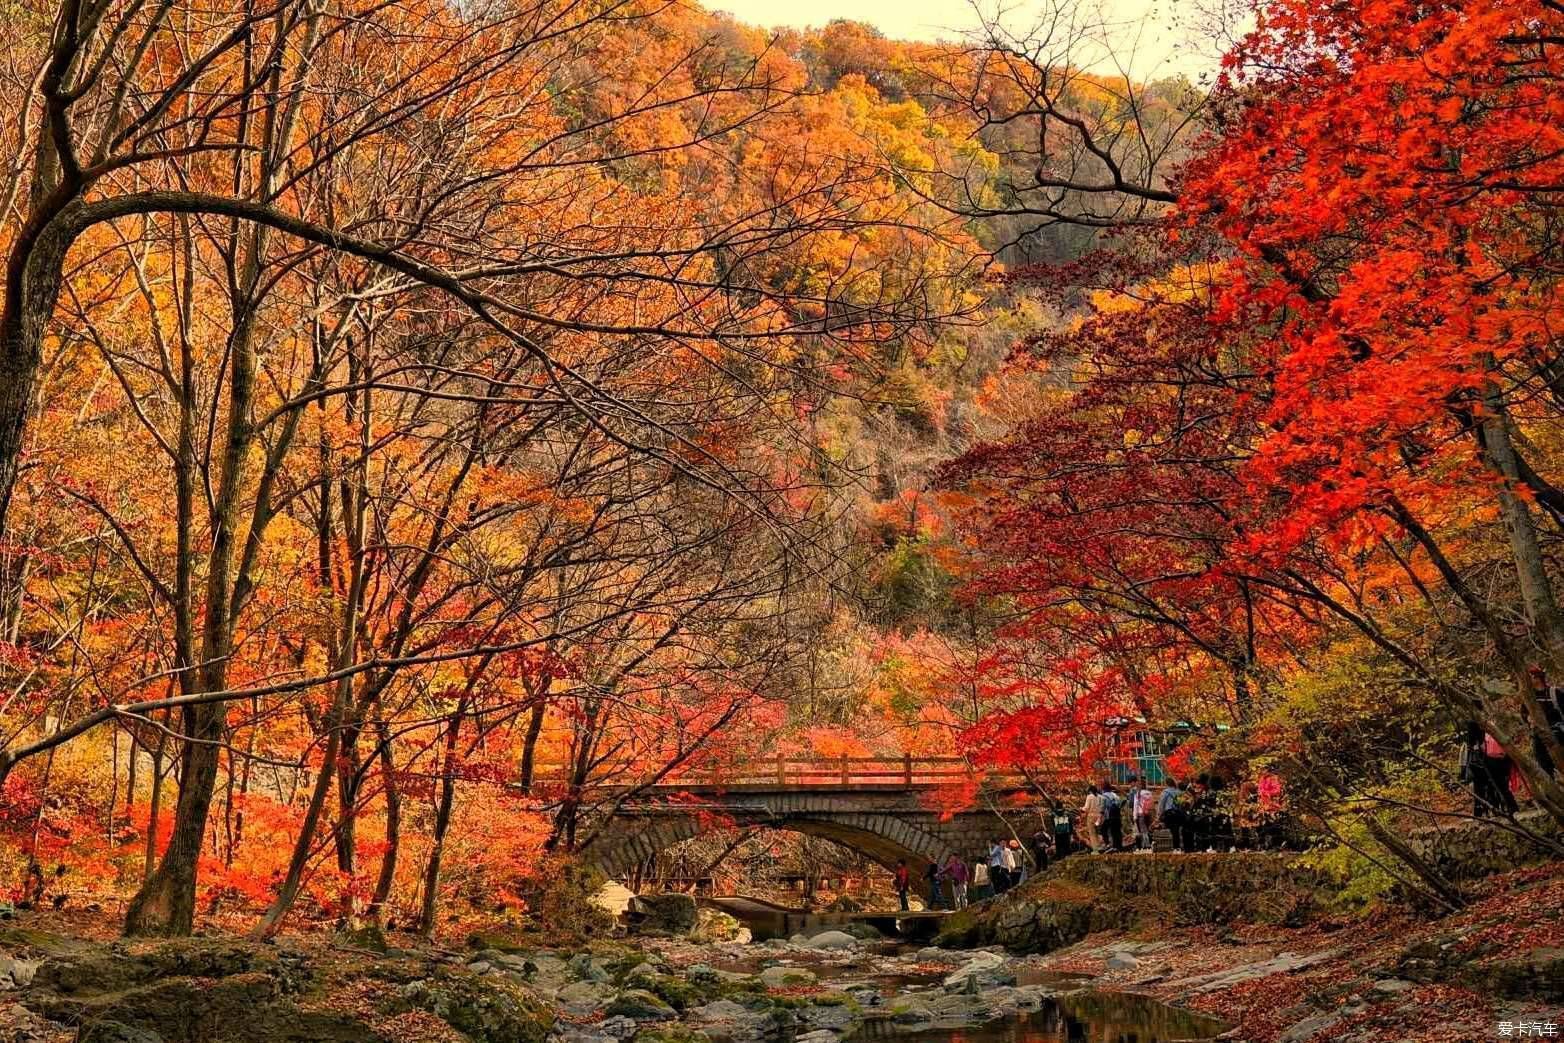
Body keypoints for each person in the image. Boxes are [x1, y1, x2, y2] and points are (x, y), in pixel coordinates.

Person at [1157, 777, 1184, 851]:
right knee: (1176, 830)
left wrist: (1159, 815)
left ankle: (1175, 847)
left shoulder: (1165, 792)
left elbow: (1161, 804)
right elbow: (1181, 804)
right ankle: (1177, 847)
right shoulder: (1179, 792)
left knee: (1172, 830)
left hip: (1169, 814)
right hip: (1178, 814)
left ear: (1167, 784)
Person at [1098, 781, 1123, 852]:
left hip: (1109, 816)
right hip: (1117, 816)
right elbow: (1120, 804)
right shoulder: (1115, 795)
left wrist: (1100, 817)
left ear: (1103, 788)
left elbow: (1102, 808)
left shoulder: (1103, 796)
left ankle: (1108, 844)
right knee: (1117, 831)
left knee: (1103, 829)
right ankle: (1118, 846)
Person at [1132, 777, 1155, 851]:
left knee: (1143, 831)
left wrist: (1134, 816)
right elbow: (1152, 804)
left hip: (1140, 813)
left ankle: (1146, 846)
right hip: (1148, 813)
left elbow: (1135, 805)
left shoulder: (1138, 794)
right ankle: (1151, 843)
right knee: (1148, 829)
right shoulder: (1149, 793)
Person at [1080, 785, 1102, 853]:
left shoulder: (1089, 797)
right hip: (1099, 817)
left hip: (1091, 817)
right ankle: (1100, 847)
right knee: (1098, 833)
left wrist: (1081, 808)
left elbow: (1086, 808)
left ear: (1090, 790)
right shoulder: (1100, 797)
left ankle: (1095, 850)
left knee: (1092, 833)